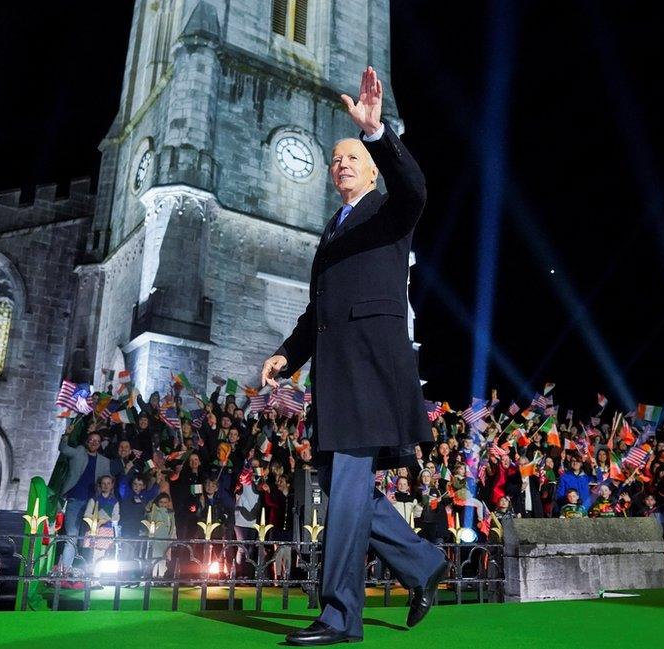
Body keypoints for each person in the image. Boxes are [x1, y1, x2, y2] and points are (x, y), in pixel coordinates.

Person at [260, 67, 446, 645]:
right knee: (352, 491)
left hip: (371, 372)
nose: (341, 163)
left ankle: (340, 616)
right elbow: (320, 310)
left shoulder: (389, 212)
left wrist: (375, 133)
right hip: (334, 376)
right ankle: (422, 564)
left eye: (351, 156)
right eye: (336, 158)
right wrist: (287, 356)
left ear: (370, 168)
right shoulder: (331, 229)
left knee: (345, 486)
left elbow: (415, 187)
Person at [57, 431, 111, 571]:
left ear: (100, 444)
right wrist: (67, 435)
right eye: (91, 439)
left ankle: (86, 572)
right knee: (72, 536)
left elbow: (108, 483)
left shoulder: (104, 462)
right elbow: (63, 449)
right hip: (75, 500)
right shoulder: (79, 452)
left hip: (92, 505)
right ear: (87, 441)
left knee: (89, 538)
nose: (93, 443)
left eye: (97, 441)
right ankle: (64, 571)